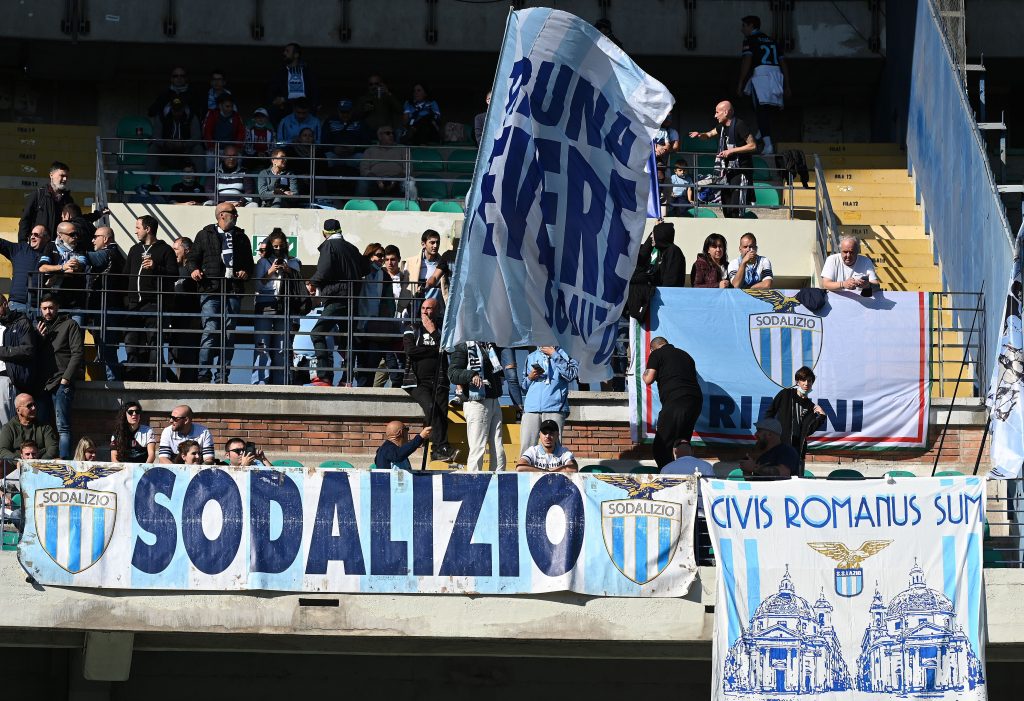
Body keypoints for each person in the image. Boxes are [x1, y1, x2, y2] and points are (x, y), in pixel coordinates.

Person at [188, 202, 255, 383]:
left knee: (228, 334)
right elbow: (192, 258)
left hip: (233, 290)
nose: (236, 216)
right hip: (210, 289)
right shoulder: (204, 235)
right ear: (222, 215)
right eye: (234, 213)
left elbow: (249, 263)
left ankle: (222, 376)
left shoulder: (242, 237)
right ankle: (203, 375)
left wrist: (246, 272)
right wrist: (194, 269)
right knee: (211, 330)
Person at [306, 219, 371, 386]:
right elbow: (366, 268)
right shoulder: (352, 247)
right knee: (348, 340)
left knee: (317, 333)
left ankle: (324, 375)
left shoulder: (329, 246)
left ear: (324, 234)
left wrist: (312, 282)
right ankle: (346, 379)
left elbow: (324, 270)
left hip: (336, 299)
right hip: (352, 300)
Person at [124, 215, 178, 381]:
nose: (135, 231)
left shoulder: (165, 249)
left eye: (138, 228)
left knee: (154, 341)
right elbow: (126, 274)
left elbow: (173, 275)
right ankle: (133, 375)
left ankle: (155, 377)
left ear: (148, 229)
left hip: (154, 304)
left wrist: (156, 267)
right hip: (133, 304)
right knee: (131, 341)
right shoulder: (134, 249)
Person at [403, 297, 455, 462]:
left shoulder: (443, 330)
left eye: (429, 308)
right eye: (423, 308)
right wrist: (434, 351)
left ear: (437, 311)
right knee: (431, 408)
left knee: (442, 413)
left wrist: (433, 331)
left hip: (439, 381)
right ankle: (440, 447)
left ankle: (438, 450)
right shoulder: (412, 328)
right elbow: (410, 351)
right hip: (417, 382)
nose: (425, 311)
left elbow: (447, 349)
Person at [643, 336, 703, 468]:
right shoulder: (686, 355)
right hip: (695, 401)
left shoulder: (657, 354)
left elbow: (648, 379)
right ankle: (686, 473)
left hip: (676, 399)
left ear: (653, 348)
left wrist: (644, 373)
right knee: (682, 443)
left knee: (661, 446)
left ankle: (668, 477)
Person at [688, 101, 756, 217]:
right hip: (725, 173)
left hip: (740, 172)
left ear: (726, 112)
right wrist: (699, 135)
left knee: (736, 209)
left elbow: (753, 145)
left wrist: (731, 151)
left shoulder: (740, 125)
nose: (715, 115)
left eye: (717, 112)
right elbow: (709, 134)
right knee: (726, 207)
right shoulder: (722, 127)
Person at [36, 294, 83, 459]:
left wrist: (66, 379)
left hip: (61, 383)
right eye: (44, 308)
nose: (47, 311)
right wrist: (39, 338)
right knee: (42, 427)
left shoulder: (70, 324)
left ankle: (64, 464)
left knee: (62, 426)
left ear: (57, 307)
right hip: (42, 385)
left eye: (50, 307)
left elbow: (77, 353)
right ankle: (44, 462)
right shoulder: (39, 327)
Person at [252, 228, 302, 385]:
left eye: (281, 246)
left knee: (282, 348)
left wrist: (289, 271)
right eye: (275, 246)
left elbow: (299, 286)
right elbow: (258, 285)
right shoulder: (263, 262)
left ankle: (281, 382)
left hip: (285, 307)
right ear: (270, 246)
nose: (278, 249)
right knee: (262, 346)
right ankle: (259, 382)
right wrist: (270, 271)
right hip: (265, 306)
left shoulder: (294, 262)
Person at [737, 15, 791, 155]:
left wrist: (741, 82)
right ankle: (762, 132)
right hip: (776, 74)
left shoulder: (750, 40)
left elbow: (747, 61)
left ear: (751, 25)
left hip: (762, 75)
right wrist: (786, 85)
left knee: (760, 110)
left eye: (744, 26)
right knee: (768, 108)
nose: (742, 29)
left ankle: (768, 145)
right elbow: (783, 63)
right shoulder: (773, 40)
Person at [449, 341, 506, 472]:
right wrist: (471, 374)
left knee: (498, 446)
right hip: (476, 403)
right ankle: (474, 484)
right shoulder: (463, 346)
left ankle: (498, 481)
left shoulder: (491, 345)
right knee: (478, 447)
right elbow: (453, 373)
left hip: (494, 400)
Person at [519, 345, 579, 455]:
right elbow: (523, 387)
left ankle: (553, 472)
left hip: (555, 407)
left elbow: (571, 375)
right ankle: (525, 471)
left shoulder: (565, 353)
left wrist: (554, 355)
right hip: (531, 408)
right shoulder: (531, 356)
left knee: (554, 448)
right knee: (526, 447)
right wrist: (529, 378)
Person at [87, 226, 126, 381]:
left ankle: (113, 381)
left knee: (107, 347)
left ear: (105, 238)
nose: (92, 239)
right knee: (106, 346)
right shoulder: (115, 253)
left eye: (95, 236)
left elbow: (86, 257)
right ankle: (112, 379)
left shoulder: (108, 253)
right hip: (108, 306)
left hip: (106, 307)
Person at [765, 366, 827, 463]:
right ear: (797, 382)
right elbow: (769, 413)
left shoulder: (811, 407)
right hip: (779, 447)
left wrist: (822, 417)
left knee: (797, 478)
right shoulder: (785, 394)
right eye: (803, 380)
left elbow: (808, 431)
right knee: (776, 476)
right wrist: (768, 435)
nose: (806, 383)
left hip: (797, 452)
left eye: (809, 381)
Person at [625, 222, 686, 321]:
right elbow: (641, 261)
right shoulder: (660, 252)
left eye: (654, 233)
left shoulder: (673, 251)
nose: (652, 237)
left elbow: (670, 283)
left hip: (665, 304)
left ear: (661, 235)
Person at [0, 295, 41, 423]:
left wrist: (1, 351)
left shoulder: (21, 322)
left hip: (6, 378)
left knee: (6, 423)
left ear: (5, 305)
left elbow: (27, 350)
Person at [166, 236, 201, 382]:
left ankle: (188, 386)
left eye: (175, 249)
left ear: (186, 250)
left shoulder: (194, 271)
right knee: (173, 356)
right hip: (175, 323)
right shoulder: (175, 270)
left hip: (190, 323)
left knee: (188, 359)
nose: (173, 252)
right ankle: (175, 383)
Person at [37, 221, 89, 315]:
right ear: (60, 235)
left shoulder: (80, 247)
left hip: (75, 300)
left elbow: (81, 266)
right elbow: (42, 268)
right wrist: (63, 267)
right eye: (72, 234)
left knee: (76, 328)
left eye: (76, 233)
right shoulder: (51, 246)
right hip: (53, 300)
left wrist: (59, 272)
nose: (75, 237)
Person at [18, 161, 75, 244]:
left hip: (58, 247)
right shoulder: (38, 195)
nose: (65, 179)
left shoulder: (68, 199)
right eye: (62, 176)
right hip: (39, 245)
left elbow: (75, 220)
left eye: (66, 176)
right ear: (51, 175)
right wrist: (22, 244)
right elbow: (25, 220)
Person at [147, 96, 203, 177]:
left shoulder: (191, 117)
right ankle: (150, 179)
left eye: (179, 110)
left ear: (183, 108)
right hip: (166, 147)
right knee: (153, 148)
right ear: (171, 108)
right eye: (174, 110)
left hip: (186, 147)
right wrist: (165, 143)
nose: (177, 112)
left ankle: (199, 179)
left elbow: (197, 137)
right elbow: (155, 136)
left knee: (198, 149)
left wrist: (184, 144)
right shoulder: (162, 116)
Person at [0, 224, 49, 313]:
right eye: (32, 234)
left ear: (46, 238)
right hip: (16, 305)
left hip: (40, 308)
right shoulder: (19, 249)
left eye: (37, 235)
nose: (33, 237)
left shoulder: (52, 253)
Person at [0, 394, 58, 459]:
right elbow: (3, 451)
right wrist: (18, 461)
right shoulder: (9, 428)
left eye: (34, 404)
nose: (34, 408)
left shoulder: (45, 427)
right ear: (18, 410)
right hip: (16, 466)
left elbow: (53, 447)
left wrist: (39, 463)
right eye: (29, 406)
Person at [269, 42, 319, 118]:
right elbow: (272, 92)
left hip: (306, 115)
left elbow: (314, 92)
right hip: (285, 115)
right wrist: (276, 101)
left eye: (287, 51)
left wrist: (314, 107)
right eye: (284, 51)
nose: (284, 53)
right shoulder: (280, 73)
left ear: (296, 55)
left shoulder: (307, 73)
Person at [359, 125, 408, 198]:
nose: (391, 135)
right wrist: (377, 180)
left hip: (398, 179)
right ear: (379, 136)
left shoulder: (403, 149)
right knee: (362, 182)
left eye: (392, 133)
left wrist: (395, 180)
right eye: (388, 133)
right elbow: (364, 169)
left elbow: (408, 169)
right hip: (374, 179)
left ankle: (409, 207)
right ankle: (360, 206)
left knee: (410, 183)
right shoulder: (370, 150)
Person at [202, 92, 245, 172]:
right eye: (227, 106)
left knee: (238, 156)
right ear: (220, 106)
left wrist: (238, 147)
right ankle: (210, 179)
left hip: (230, 149)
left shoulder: (236, 116)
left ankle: (236, 178)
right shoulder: (212, 114)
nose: (230, 109)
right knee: (210, 156)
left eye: (231, 106)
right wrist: (211, 146)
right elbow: (206, 131)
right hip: (215, 148)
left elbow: (241, 133)